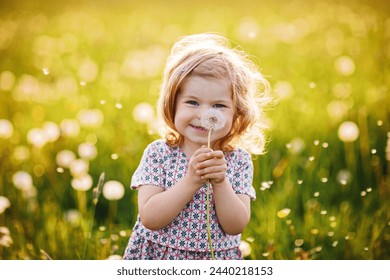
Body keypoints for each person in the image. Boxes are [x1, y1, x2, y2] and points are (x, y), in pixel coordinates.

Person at [123, 33, 271, 260]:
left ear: (237, 113)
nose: (204, 115)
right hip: (159, 257)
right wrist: (191, 180)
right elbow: (150, 218)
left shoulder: (237, 161)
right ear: (172, 104)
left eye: (219, 105)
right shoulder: (159, 154)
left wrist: (221, 183)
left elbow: (236, 225)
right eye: (192, 102)